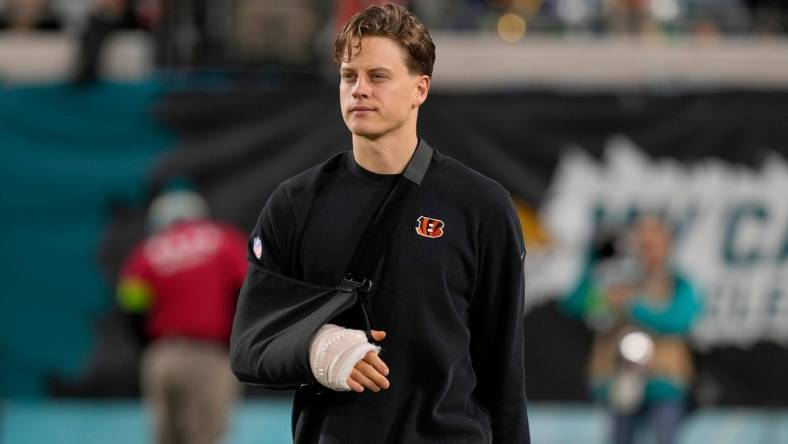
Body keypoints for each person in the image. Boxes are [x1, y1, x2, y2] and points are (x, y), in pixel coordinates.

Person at [231, 3, 530, 443]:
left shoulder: (481, 206)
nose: (359, 89)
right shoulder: (295, 203)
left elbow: (503, 369)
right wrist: (322, 348)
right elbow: (251, 345)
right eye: (349, 75)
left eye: (378, 76)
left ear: (420, 89)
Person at [117, 184, 247, 444]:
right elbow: (247, 289)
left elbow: (130, 307)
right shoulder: (223, 241)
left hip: (163, 356)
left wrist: (150, 347)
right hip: (209, 355)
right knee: (206, 437)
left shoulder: (147, 252)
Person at [561, 215, 703, 444]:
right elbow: (576, 305)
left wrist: (632, 306)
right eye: (641, 245)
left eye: (652, 245)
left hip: (664, 384)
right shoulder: (616, 281)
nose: (646, 252)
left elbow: (680, 319)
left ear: (667, 246)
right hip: (621, 384)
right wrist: (592, 263)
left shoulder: (678, 283)